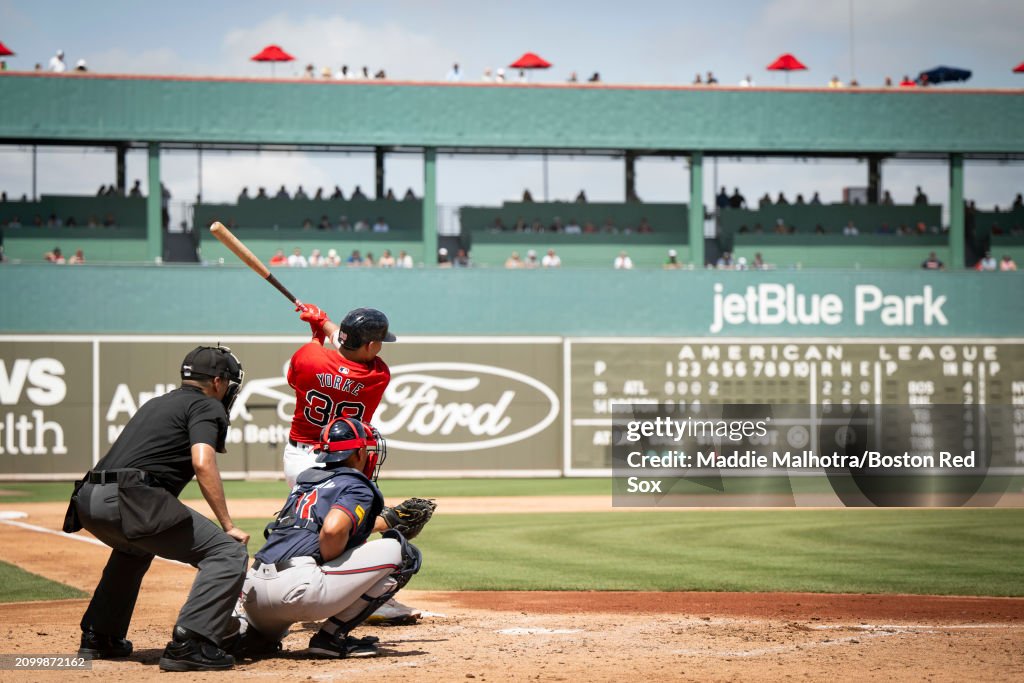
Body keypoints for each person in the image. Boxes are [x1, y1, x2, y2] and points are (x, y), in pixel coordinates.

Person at [63, 346, 248, 671]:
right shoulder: (207, 405)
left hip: (88, 498)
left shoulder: (158, 402)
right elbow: (203, 462)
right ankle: (192, 642)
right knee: (227, 554)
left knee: (136, 547)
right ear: (218, 382)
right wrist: (227, 524)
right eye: (229, 383)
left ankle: (100, 635)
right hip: (129, 499)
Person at [234, 417, 421, 659]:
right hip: (295, 591)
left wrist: (385, 521)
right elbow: (332, 530)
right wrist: (329, 560)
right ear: (359, 452)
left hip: (254, 594)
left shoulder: (305, 481)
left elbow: (315, 528)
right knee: (404, 554)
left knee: (260, 640)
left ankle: (254, 636)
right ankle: (331, 638)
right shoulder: (357, 485)